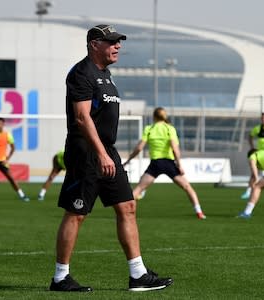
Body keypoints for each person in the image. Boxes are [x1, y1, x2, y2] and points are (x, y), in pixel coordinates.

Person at [49, 24, 172, 292]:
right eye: (111, 41)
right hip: (86, 152)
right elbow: (82, 118)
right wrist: (101, 153)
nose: (118, 46)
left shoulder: (106, 74)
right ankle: (60, 277)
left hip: (107, 152)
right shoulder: (82, 73)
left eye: (118, 42)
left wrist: (108, 153)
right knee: (77, 213)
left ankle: (138, 274)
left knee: (127, 206)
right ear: (94, 44)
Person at [123, 107, 207, 220]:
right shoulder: (169, 128)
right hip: (169, 163)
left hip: (155, 164)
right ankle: (199, 212)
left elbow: (139, 148)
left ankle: (126, 213)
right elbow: (175, 149)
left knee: (138, 189)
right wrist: (179, 164)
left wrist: (128, 160)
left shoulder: (149, 128)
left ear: (154, 117)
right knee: (187, 187)